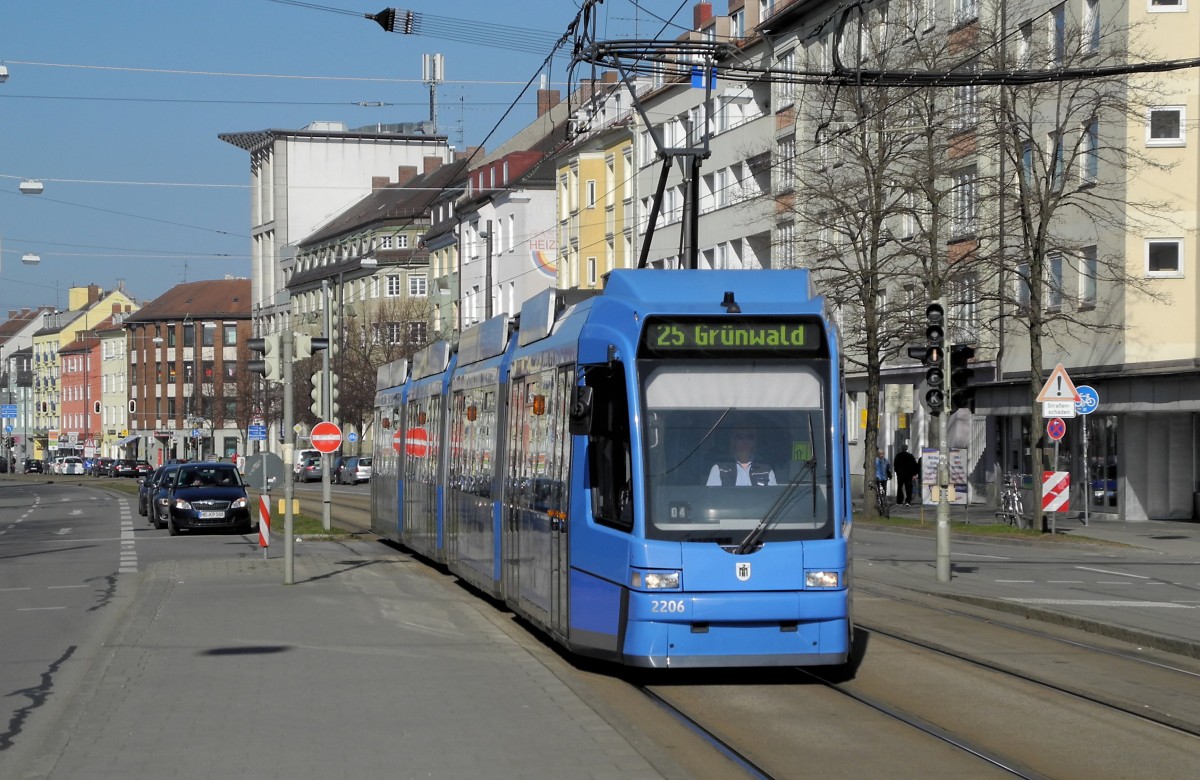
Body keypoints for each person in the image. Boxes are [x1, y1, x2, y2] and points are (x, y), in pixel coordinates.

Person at [707, 429, 777, 486]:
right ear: (733, 440)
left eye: (750, 437)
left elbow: (773, 498)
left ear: (754, 441)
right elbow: (712, 499)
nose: (745, 441)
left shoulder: (766, 469)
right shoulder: (719, 469)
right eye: (740, 437)